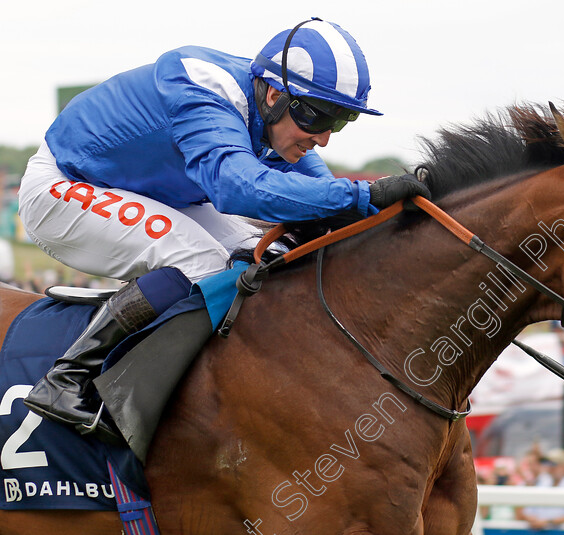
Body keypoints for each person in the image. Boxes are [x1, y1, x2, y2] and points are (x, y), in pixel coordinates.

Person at [17, 17, 430, 441]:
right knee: (201, 260)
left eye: (340, 121)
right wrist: (363, 195)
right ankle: (67, 378)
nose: (323, 138)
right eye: (318, 117)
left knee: (263, 257)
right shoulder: (204, 90)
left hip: (155, 195)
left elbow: (317, 197)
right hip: (65, 184)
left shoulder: (274, 112)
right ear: (274, 94)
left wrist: (389, 213)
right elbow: (238, 189)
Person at [516, 449, 564, 530]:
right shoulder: (541, 484)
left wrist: (547, 522)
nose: (550, 468)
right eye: (548, 464)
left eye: (554, 464)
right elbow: (528, 511)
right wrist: (532, 519)